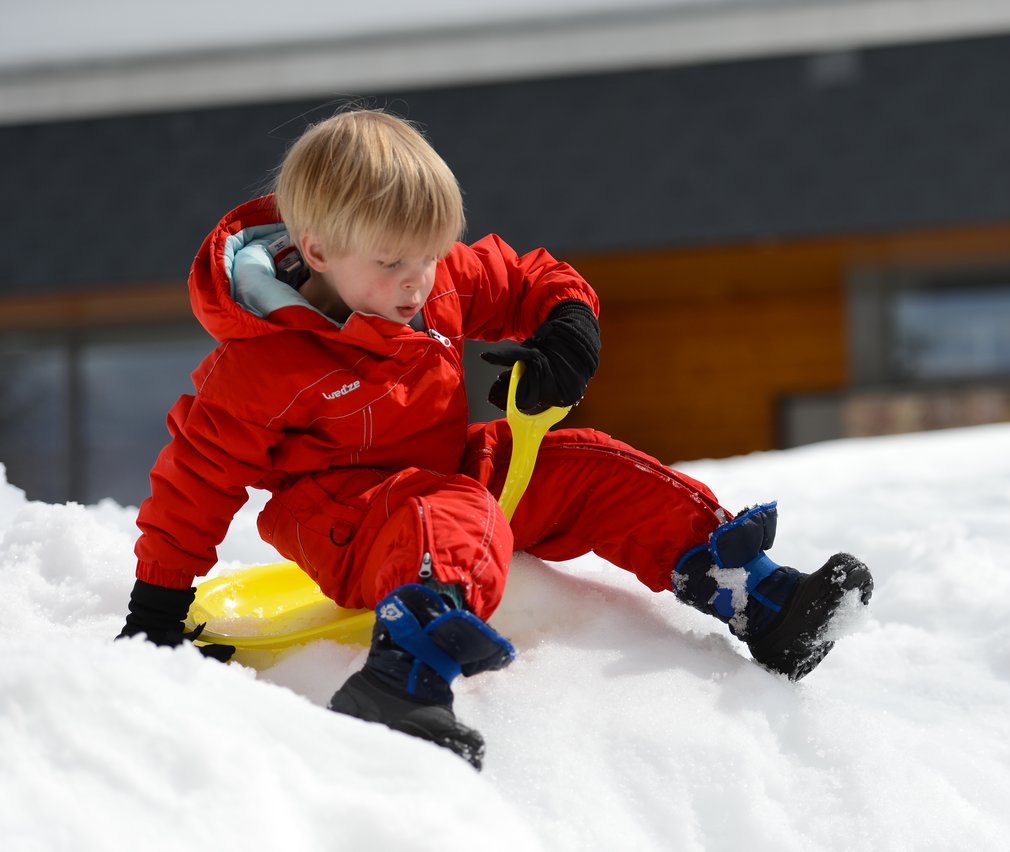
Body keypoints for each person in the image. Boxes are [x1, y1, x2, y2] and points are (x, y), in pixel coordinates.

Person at [116, 109, 873, 769]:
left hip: (447, 469)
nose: (417, 283)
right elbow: (195, 481)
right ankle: (401, 680)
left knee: (590, 466)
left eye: (429, 256)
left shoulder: (425, 282)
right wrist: (156, 609)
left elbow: (531, 277)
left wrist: (566, 333)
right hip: (344, 516)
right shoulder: (261, 364)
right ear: (316, 252)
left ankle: (762, 603)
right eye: (392, 265)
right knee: (453, 513)